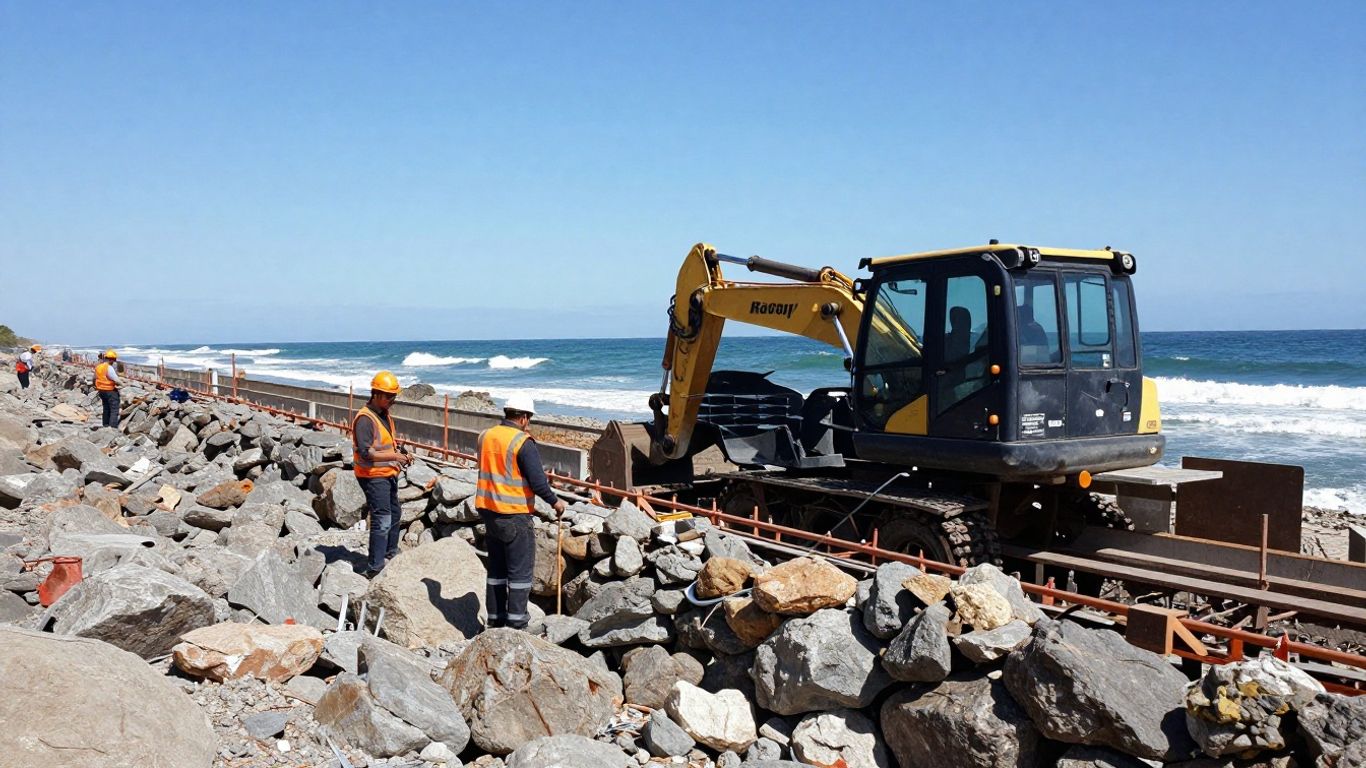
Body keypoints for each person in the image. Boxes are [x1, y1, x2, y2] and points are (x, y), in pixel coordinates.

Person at [476, 393, 566, 630]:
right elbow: (538, 482)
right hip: (514, 513)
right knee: (519, 572)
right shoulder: (522, 442)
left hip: (489, 510)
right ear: (525, 418)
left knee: (496, 569)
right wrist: (555, 502)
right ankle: (516, 625)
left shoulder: (486, 436)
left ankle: (495, 619)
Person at [352, 371, 413, 577]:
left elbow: (387, 443)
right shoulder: (365, 419)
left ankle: (390, 554)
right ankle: (375, 567)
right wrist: (395, 457)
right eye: (389, 396)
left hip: (386, 474)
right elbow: (366, 453)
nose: (392, 400)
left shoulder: (383, 415)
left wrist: (400, 452)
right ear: (376, 394)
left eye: (393, 396)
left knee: (394, 514)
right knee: (382, 519)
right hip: (372, 475)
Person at [93, 349, 121, 428]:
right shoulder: (109, 368)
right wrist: (123, 384)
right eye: (114, 359)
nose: (114, 361)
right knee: (114, 409)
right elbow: (116, 380)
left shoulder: (98, 367)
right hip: (110, 391)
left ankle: (105, 424)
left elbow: (94, 378)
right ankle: (112, 428)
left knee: (106, 408)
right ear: (112, 359)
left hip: (101, 390)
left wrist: (96, 386)